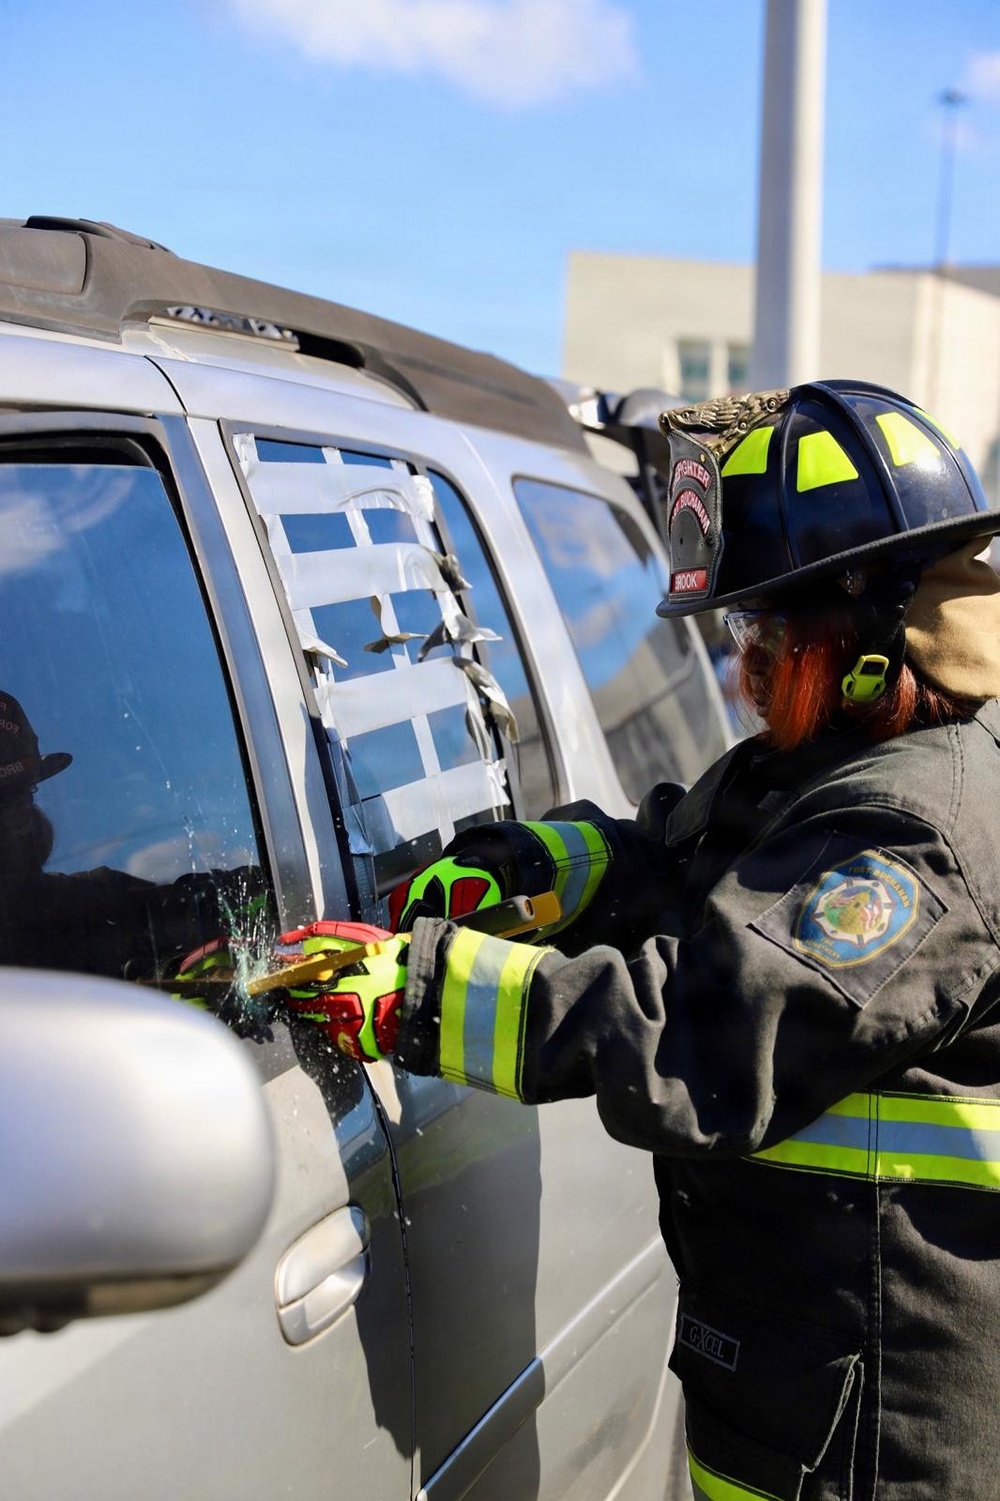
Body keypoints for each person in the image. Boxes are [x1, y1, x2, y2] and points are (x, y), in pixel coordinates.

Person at [275, 379, 1000, 1499]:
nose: (742, 664)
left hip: (879, 1447)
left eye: (767, 628)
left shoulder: (917, 838)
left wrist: (417, 994)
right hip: (798, 1405)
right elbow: (692, 849)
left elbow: (703, 1037)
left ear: (862, 626)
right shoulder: (835, 768)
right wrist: (542, 868)